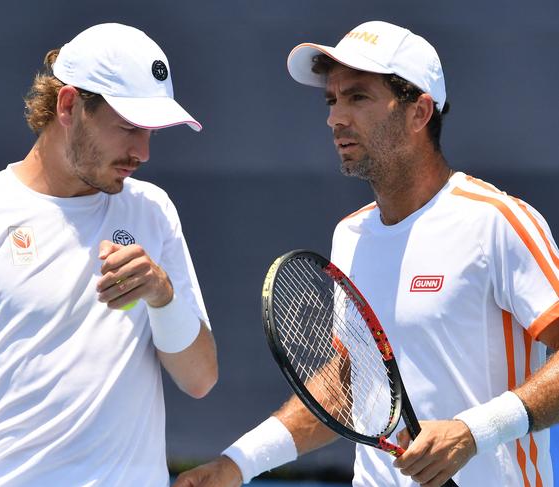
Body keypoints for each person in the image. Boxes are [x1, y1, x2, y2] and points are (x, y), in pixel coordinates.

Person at [172, 20, 559, 487]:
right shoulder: (350, 236)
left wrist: (472, 432)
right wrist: (237, 464)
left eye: (358, 97)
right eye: (332, 100)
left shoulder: (496, 222)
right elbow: (350, 385)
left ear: (419, 112)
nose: (336, 118)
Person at [0, 23, 217, 486]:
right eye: (130, 127)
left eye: (150, 131)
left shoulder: (153, 211)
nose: (143, 152)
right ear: (69, 105)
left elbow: (200, 379)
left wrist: (162, 295)